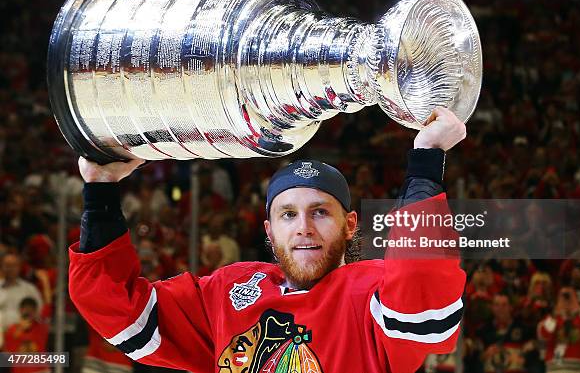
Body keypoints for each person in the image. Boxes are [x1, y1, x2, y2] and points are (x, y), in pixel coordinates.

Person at [68, 107, 467, 373]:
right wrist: (100, 189)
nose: (304, 227)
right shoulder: (229, 292)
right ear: (269, 231)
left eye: (320, 212)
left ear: (350, 225)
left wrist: (426, 158)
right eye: (288, 215)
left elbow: (423, 296)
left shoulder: (372, 296)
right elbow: (123, 311)